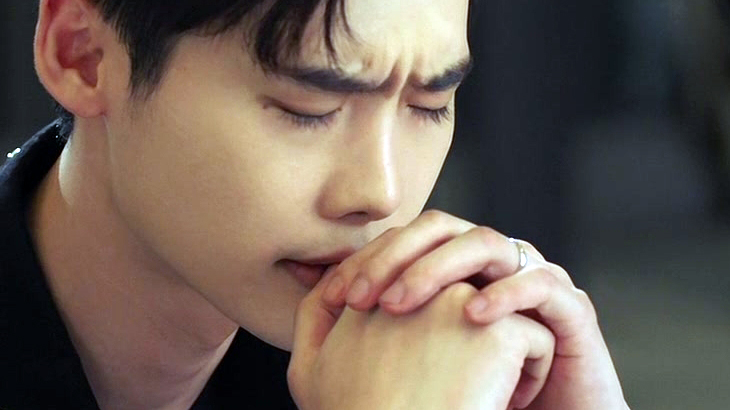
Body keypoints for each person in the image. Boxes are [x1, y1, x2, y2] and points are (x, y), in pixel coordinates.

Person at [0, 0, 630, 409]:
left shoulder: (418, 372)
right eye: (309, 109)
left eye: (429, 105)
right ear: (82, 57)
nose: (381, 192)